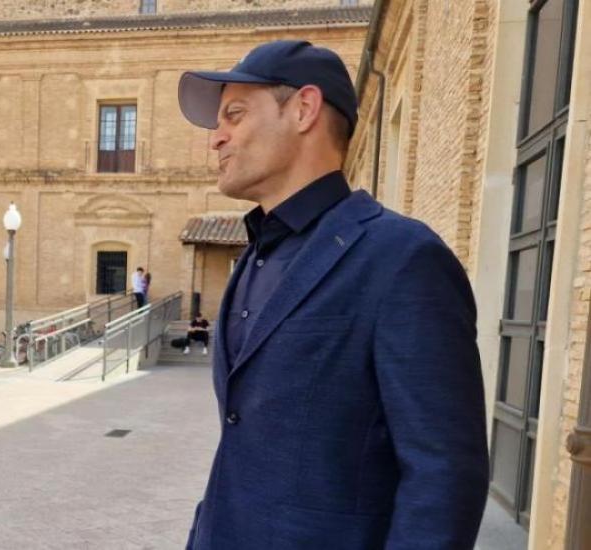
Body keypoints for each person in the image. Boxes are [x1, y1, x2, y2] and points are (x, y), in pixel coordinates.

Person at [178, 40, 488, 549]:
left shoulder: (402, 258)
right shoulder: (253, 257)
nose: (217, 138)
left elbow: (445, 472)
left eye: (234, 115)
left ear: (304, 109)